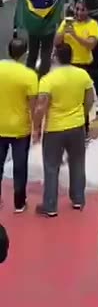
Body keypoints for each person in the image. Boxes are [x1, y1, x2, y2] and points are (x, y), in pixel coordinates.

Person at [34, 43, 94, 217]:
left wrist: (37, 128)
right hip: (76, 126)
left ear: (55, 57)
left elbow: (41, 107)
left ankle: (50, 206)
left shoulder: (48, 79)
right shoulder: (82, 75)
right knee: (77, 162)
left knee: (51, 167)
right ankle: (78, 199)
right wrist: (81, 115)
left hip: (54, 129)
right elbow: (90, 99)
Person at [0, 37, 38, 212]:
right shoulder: (29, 75)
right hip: (20, 129)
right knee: (20, 166)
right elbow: (33, 106)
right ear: (25, 54)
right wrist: (36, 128)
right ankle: (19, 202)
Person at [54, 0, 98, 136]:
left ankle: (83, 128)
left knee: (82, 101)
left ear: (88, 11)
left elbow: (91, 44)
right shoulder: (67, 23)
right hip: (68, 65)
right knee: (66, 98)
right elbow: (56, 42)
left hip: (83, 67)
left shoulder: (92, 25)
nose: (79, 12)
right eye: (77, 9)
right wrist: (63, 31)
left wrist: (74, 35)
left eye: (82, 10)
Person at [14, 0, 68, 77]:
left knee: (32, 53)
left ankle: (28, 75)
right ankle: (43, 77)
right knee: (46, 53)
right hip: (48, 29)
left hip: (33, 28)